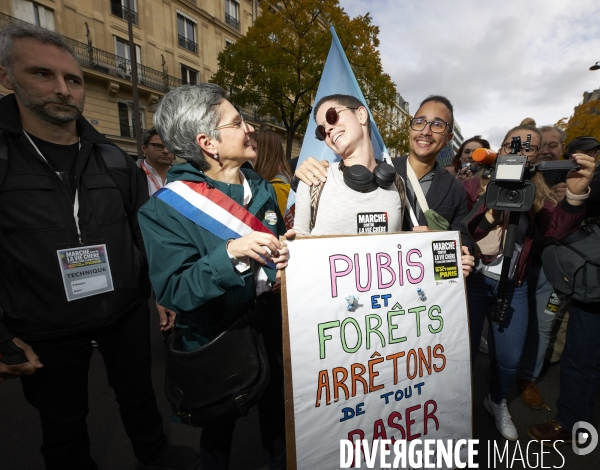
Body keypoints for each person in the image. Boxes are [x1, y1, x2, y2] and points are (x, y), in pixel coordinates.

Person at [0, 23, 198, 470]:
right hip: (44, 323)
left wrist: (158, 293)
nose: (63, 89)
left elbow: (139, 233)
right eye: (42, 75)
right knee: (63, 423)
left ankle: (156, 454)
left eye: (73, 79)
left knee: (139, 394)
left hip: (123, 311)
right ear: (7, 77)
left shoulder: (111, 158)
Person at [137, 83, 293, 470]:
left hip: (271, 325)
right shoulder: (164, 209)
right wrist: (229, 254)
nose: (251, 129)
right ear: (208, 142)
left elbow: (271, 249)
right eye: (238, 122)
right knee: (218, 430)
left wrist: (285, 256)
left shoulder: (260, 185)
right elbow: (175, 290)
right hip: (216, 336)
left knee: (280, 421)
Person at [463, 124, 596, 441]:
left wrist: (576, 192)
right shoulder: (473, 187)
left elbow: (555, 230)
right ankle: (457, 407)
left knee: (509, 359)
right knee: (462, 352)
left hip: (515, 285)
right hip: (474, 283)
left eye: (528, 148)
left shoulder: (541, 194)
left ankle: (496, 400)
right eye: (512, 145)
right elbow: (461, 230)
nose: (519, 152)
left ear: (537, 156)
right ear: (501, 148)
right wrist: (490, 209)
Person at [295, 95, 475, 274]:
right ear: (411, 126)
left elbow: (463, 240)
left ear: (449, 137)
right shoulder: (384, 172)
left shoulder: (450, 187)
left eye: (437, 125)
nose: (426, 131)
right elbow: (299, 240)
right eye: (420, 122)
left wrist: (444, 248)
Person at [528, 162, 600, 446]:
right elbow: (559, 226)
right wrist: (574, 196)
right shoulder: (583, 178)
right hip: (592, 285)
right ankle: (571, 422)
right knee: (581, 356)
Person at [292, 94, 404, 235]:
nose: (327, 130)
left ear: (361, 115)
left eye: (331, 116)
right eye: (321, 130)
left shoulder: (398, 184)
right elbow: (299, 238)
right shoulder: (314, 180)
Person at [516, 125, 568, 410]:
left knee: (543, 326)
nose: (548, 150)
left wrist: (572, 201)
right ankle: (504, 370)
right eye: (540, 145)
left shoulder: (572, 177)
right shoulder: (522, 176)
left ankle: (528, 378)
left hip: (552, 271)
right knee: (511, 323)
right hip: (520, 268)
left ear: (562, 148)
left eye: (553, 145)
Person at [254, 130, 293, 217]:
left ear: (265, 152)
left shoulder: (276, 187)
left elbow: (276, 224)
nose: (250, 153)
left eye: (254, 148)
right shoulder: (274, 183)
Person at [138, 127, 174, 195]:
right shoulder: (131, 177)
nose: (166, 151)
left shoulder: (182, 177)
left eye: (170, 147)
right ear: (144, 148)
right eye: (158, 146)